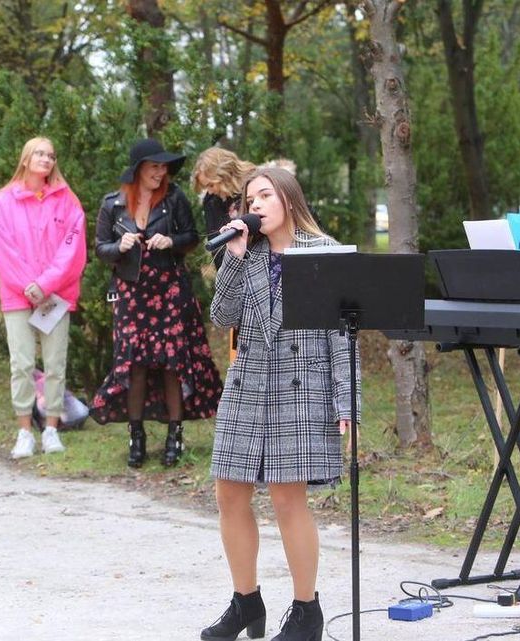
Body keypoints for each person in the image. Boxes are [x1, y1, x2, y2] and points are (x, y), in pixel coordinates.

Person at [200, 166, 359, 641]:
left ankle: (306, 610)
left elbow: (342, 334)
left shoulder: (324, 252)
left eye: (265, 195)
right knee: (228, 491)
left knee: (289, 497)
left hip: (302, 386)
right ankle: (246, 601)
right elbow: (223, 316)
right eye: (250, 199)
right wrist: (233, 257)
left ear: (288, 199)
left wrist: (345, 398)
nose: (257, 205)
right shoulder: (247, 253)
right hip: (248, 382)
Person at [91, 138, 223, 468]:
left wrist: (172, 241)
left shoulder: (174, 198)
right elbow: (99, 248)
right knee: (133, 364)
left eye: (164, 167)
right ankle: (137, 438)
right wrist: (119, 246)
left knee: (172, 364)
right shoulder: (113, 204)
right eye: (154, 167)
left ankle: (174, 437)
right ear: (138, 170)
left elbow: (192, 237)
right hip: (131, 294)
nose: (160, 173)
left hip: (169, 291)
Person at [0, 137, 87, 459]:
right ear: (26, 158)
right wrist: (27, 284)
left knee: (56, 362)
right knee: (22, 363)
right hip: (17, 295)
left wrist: (44, 285)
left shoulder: (67, 201)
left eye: (51, 155)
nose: (46, 159)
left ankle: (51, 429)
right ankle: (24, 432)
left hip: (55, 295)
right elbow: (2, 249)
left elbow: (73, 248)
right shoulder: (4, 200)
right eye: (40, 153)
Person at [192, 146, 256, 269]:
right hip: (231, 272)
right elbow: (216, 245)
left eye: (211, 184)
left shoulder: (255, 186)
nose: (209, 191)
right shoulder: (211, 200)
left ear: (225, 174)